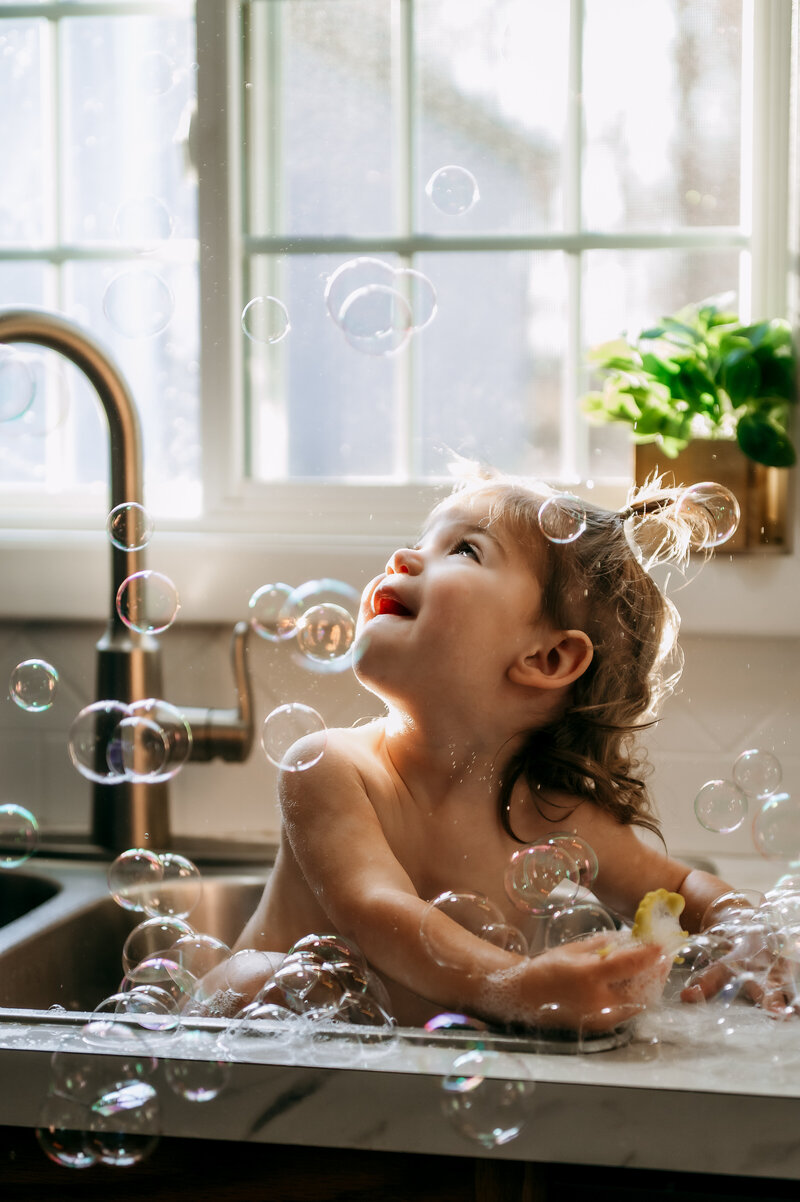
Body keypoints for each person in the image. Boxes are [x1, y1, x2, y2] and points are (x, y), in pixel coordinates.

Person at [231, 464, 780, 1031]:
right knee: (252, 975)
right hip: (271, 1057)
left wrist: (742, 930)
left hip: (400, 1084)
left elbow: (681, 886)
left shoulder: (548, 815)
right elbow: (374, 908)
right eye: (423, 540)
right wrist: (515, 985)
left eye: (464, 550)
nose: (404, 556)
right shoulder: (332, 768)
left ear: (549, 660)